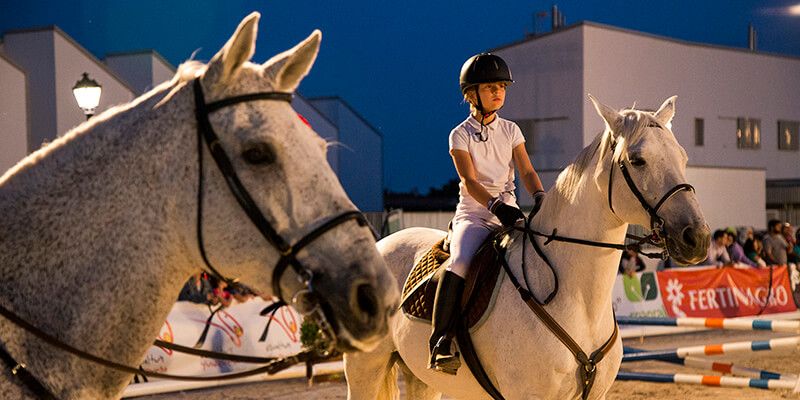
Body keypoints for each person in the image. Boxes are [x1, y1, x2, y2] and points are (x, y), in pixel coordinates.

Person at [429, 53, 545, 375]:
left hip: (509, 211)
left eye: (502, 87)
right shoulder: (460, 134)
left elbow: (527, 171)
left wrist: (540, 195)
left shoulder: (511, 130)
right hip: (474, 215)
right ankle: (441, 341)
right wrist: (495, 206)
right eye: (490, 87)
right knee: (460, 261)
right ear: (471, 94)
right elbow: (469, 181)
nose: (498, 92)